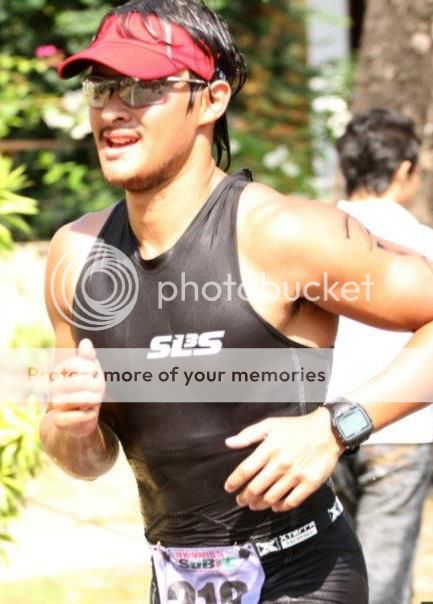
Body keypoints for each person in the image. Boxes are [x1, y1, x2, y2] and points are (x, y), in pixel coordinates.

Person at [39, 2, 433, 602]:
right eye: (102, 87)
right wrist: (73, 428)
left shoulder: (282, 233)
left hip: (304, 577)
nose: (114, 108)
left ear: (213, 98)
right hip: (175, 580)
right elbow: (86, 460)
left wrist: (336, 427)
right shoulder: (77, 253)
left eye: (144, 87)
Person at [328, 108, 433, 604]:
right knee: (383, 584)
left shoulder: (310, 239)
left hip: (318, 427)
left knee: (329, 577)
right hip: (401, 432)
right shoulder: (423, 246)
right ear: (404, 170)